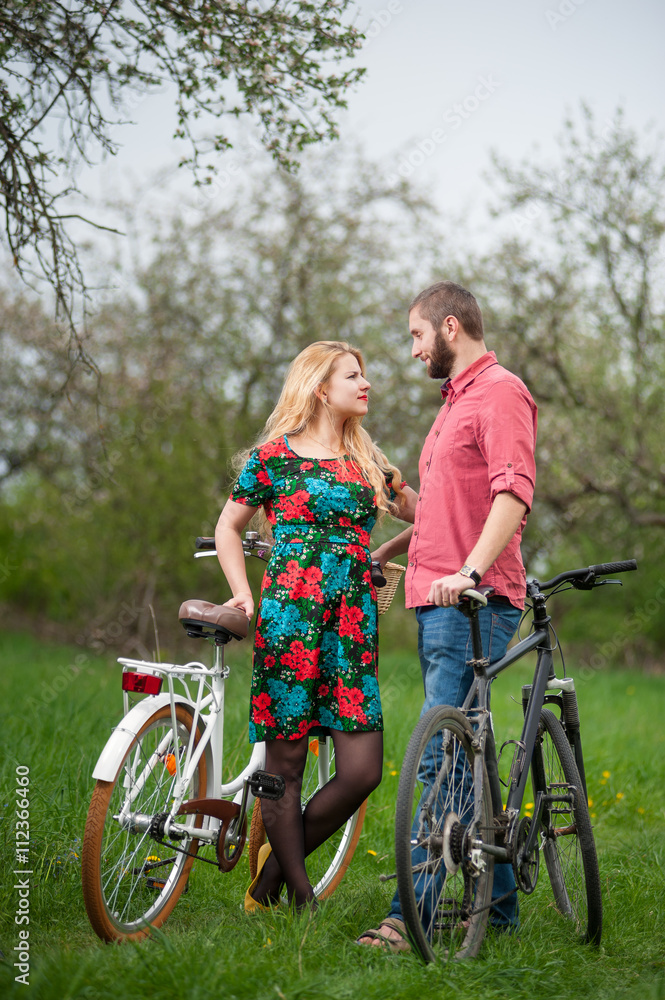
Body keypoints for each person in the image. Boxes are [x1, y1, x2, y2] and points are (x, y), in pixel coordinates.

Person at [357, 280, 537, 952]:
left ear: (450, 327)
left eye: (415, 336)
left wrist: (468, 573)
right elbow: (437, 508)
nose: (412, 352)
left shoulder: (500, 393)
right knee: (466, 753)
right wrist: (391, 528)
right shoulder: (455, 406)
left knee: (440, 758)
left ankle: (413, 918)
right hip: (438, 599)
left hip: (474, 602)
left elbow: (512, 494)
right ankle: (498, 910)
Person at [215, 341, 417, 910]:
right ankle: (301, 898)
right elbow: (228, 528)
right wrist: (240, 592)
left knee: (362, 770)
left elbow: (430, 519)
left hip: (352, 624)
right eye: (354, 375)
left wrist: (380, 554)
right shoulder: (273, 457)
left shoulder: (370, 465)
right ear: (320, 388)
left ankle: (272, 873)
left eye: (366, 374)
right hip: (289, 621)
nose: (366, 383)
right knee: (287, 764)